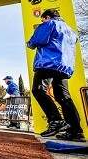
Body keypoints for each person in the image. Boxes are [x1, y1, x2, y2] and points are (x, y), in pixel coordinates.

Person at [27, 9, 85, 142]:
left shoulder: (49, 23)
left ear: (47, 17)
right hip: (65, 66)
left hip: (48, 62)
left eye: (42, 19)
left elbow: (35, 41)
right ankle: (76, 131)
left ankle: (55, 120)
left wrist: (29, 43)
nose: (42, 22)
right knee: (63, 97)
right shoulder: (71, 31)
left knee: (39, 89)